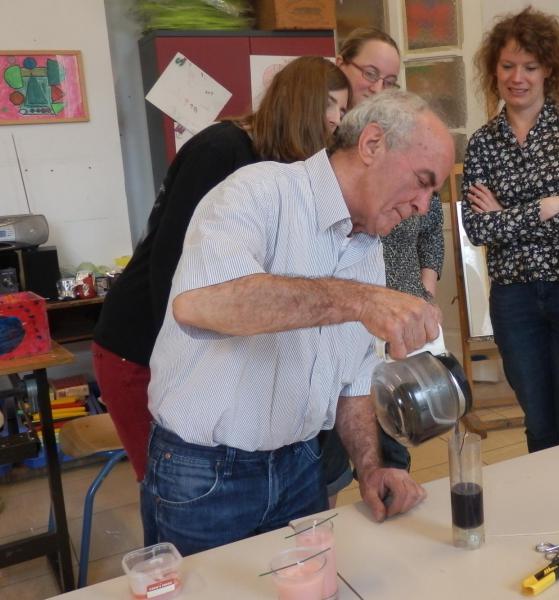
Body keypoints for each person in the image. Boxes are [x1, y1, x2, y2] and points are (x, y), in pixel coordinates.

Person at [142, 90, 455, 556]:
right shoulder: (259, 191)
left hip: (300, 466)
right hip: (207, 475)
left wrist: (371, 467)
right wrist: (361, 301)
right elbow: (201, 307)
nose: (424, 206)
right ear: (371, 144)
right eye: (422, 182)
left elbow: (353, 381)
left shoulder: (367, 246)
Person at [92, 56, 350, 482]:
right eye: (332, 108)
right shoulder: (222, 149)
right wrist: (177, 361)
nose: (336, 123)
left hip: (186, 340)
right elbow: (171, 265)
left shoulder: (276, 165)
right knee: (171, 487)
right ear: (304, 105)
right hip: (139, 346)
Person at [462, 8, 559, 453]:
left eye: (529, 67)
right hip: (516, 298)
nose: (518, 77)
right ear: (494, 70)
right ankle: (547, 515)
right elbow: (476, 226)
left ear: (548, 69)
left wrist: (507, 217)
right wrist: (546, 207)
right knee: (539, 426)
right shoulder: (483, 142)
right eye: (508, 66)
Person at [316, 27, 445, 506]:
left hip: (400, 308)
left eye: (390, 81)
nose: (377, 87)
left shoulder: (408, 148)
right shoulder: (322, 159)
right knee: (331, 436)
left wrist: (426, 287)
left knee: (393, 425)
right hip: (346, 312)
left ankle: (386, 484)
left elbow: (431, 228)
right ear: (340, 65)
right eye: (370, 73)